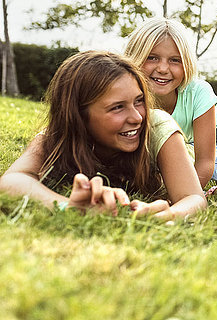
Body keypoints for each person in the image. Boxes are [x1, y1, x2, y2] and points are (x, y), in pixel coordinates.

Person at [0, 51, 206, 220]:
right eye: (117, 107)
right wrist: (68, 207)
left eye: (139, 101)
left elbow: (194, 198)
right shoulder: (56, 137)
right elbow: (12, 180)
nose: (137, 117)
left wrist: (168, 215)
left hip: (188, 150)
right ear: (78, 115)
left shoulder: (158, 127)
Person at [124, 17, 217, 187]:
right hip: (175, 137)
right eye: (152, 58)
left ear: (187, 64)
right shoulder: (125, 94)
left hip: (209, 120)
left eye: (175, 60)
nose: (163, 69)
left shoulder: (199, 94)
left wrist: (189, 194)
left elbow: (205, 162)